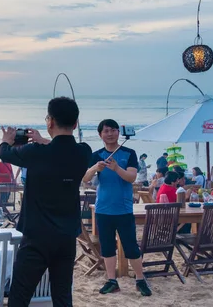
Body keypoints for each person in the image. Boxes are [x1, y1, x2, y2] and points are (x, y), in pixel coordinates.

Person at [0, 97, 92, 307]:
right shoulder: (83, 152)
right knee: (62, 296)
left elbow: (4, 153)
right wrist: (44, 140)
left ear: (49, 122)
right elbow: (64, 150)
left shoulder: (35, 153)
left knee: (20, 296)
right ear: (75, 123)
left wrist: (7, 139)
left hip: (37, 237)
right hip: (66, 236)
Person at [83, 119, 151, 297]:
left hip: (124, 209)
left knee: (131, 247)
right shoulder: (97, 155)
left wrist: (116, 168)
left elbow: (131, 177)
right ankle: (112, 280)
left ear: (118, 133)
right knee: (107, 247)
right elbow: (85, 178)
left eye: (113, 130)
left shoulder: (129, 153)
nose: (110, 133)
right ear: (100, 135)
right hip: (103, 209)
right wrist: (94, 168)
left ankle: (140, 279)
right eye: (106, 131)